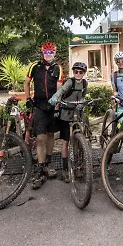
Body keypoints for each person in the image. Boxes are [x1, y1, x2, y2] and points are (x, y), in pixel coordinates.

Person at [25, 42, 64, 189]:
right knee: (40, 137)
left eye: (51, 52)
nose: (49, 55)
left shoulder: (58, 68)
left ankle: (48, 163)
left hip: (52, 106)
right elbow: (26, 82)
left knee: (50, 134)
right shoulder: (35, 66)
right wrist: (28, 98)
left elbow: (59, 89)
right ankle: (41, 167)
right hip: (39, 105)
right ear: (42, 52)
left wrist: (57, 105)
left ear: (55, 53)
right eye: (46, 52)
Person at [48, 61, 88, 183]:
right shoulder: (70, 82)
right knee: (66, 141)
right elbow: (61, 90)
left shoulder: (85, 83)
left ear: (84, 73)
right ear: (73, 72)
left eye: (81, 72)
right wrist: (55, 97)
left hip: (76, 112)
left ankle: (79, 164)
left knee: (79, 138)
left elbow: (83, 95)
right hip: (65, 113)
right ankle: (65, 169)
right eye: (76, 71)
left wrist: (81, 102)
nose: (78, 74)